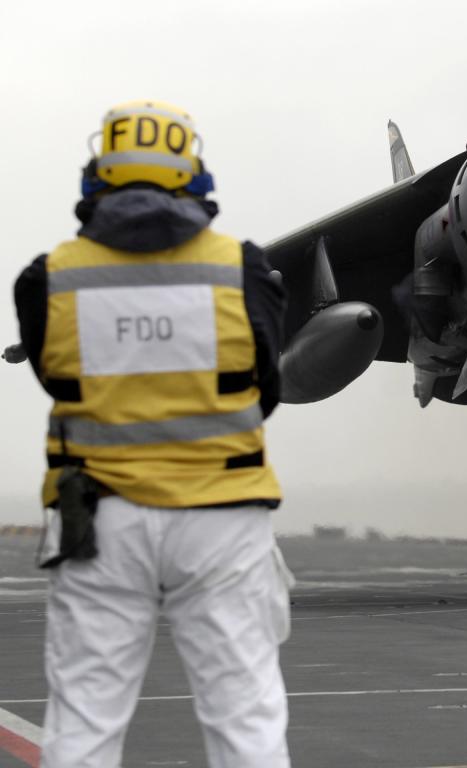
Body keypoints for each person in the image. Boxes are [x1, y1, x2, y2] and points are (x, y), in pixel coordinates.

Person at [13, 100, 292, 768]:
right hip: (222, 523)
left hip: (100, 524)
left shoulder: (47, 279)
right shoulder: (244, 269)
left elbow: (55, 380)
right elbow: (268, 389)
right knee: (245, 719)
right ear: (192, 174)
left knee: (83, 724)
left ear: (97, 174)